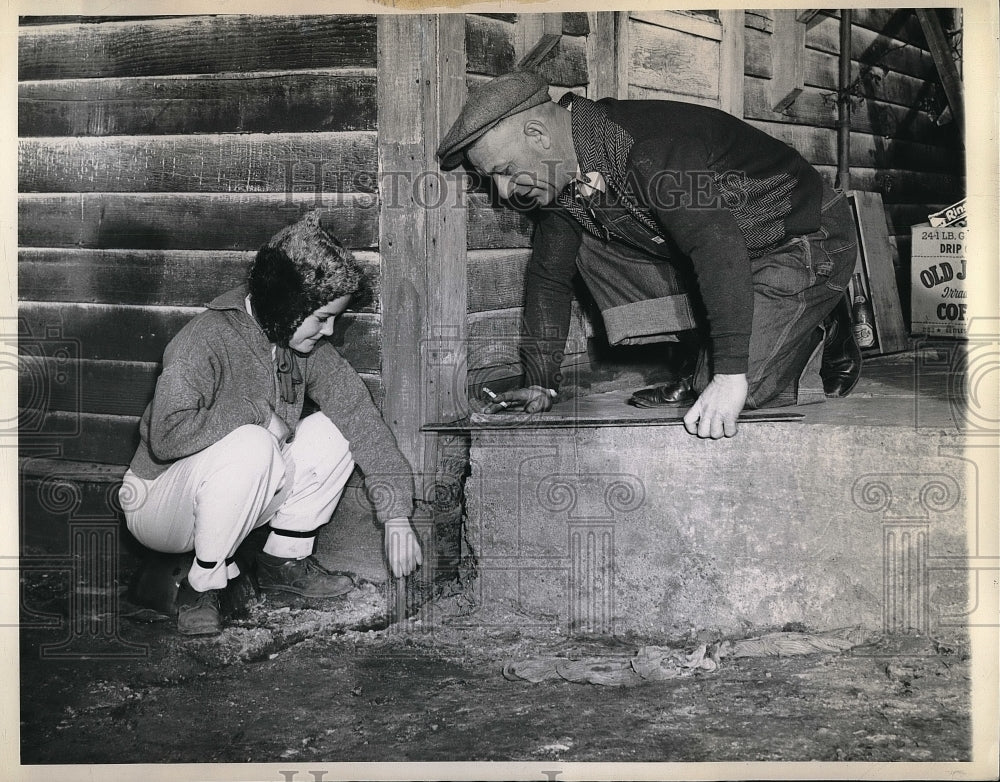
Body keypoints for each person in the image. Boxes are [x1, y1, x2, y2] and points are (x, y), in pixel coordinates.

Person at [437, 70, 862, 439]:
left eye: (505, 172)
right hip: (733, 251)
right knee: (582, 242)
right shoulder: (563, 177)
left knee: (732, 393)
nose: (505, 193)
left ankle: (826, 316)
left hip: (802, 237)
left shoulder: (648, 148)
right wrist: (541, 383)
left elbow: (715, 247)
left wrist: (730, 375)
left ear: (538, 135)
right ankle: (714, 352)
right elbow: (549, 278)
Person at [120, 211, 422, 636]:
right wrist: (259, 415)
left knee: (337, 428)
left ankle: (284, 563)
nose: (330, 331)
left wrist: (396, 515)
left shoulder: (302, 347)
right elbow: (165, 437)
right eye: (321, 317)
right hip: (159, 502)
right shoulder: (204, 338)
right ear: (285, 303)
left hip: (237, 497)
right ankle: (200, 584)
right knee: (254, 442)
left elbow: (362, 421)